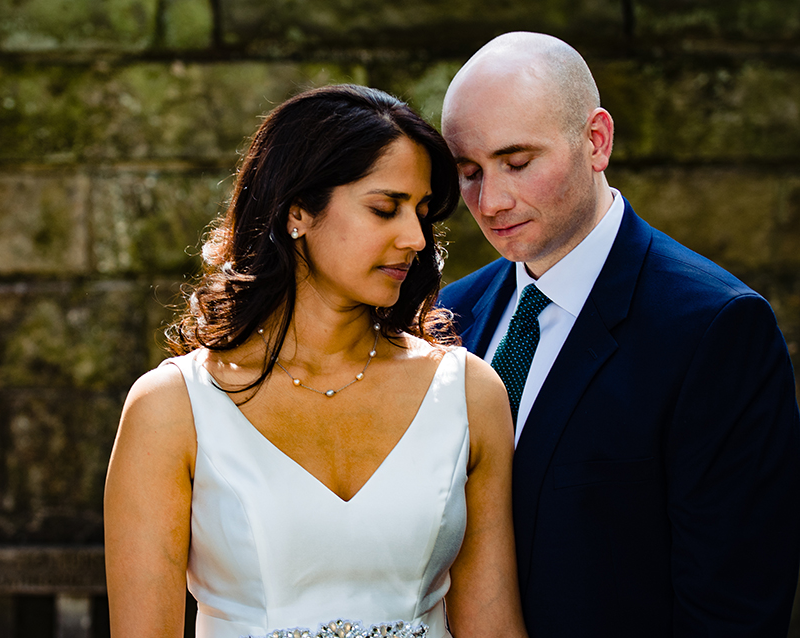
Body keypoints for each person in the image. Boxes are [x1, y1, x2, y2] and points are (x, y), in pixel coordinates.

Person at [104, 84, 527, 638]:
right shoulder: (171, 409)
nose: (416, 238)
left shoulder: (470, 394)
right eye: (385, 208)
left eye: (423, 213)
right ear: (297, 211)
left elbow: (493, 626)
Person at [437, 31, 800, 636]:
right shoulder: (451, 312)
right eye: (468, 172)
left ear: (596, 141)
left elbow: (734, 606)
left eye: (518, 163)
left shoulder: (717, 328)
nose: (491, 200)